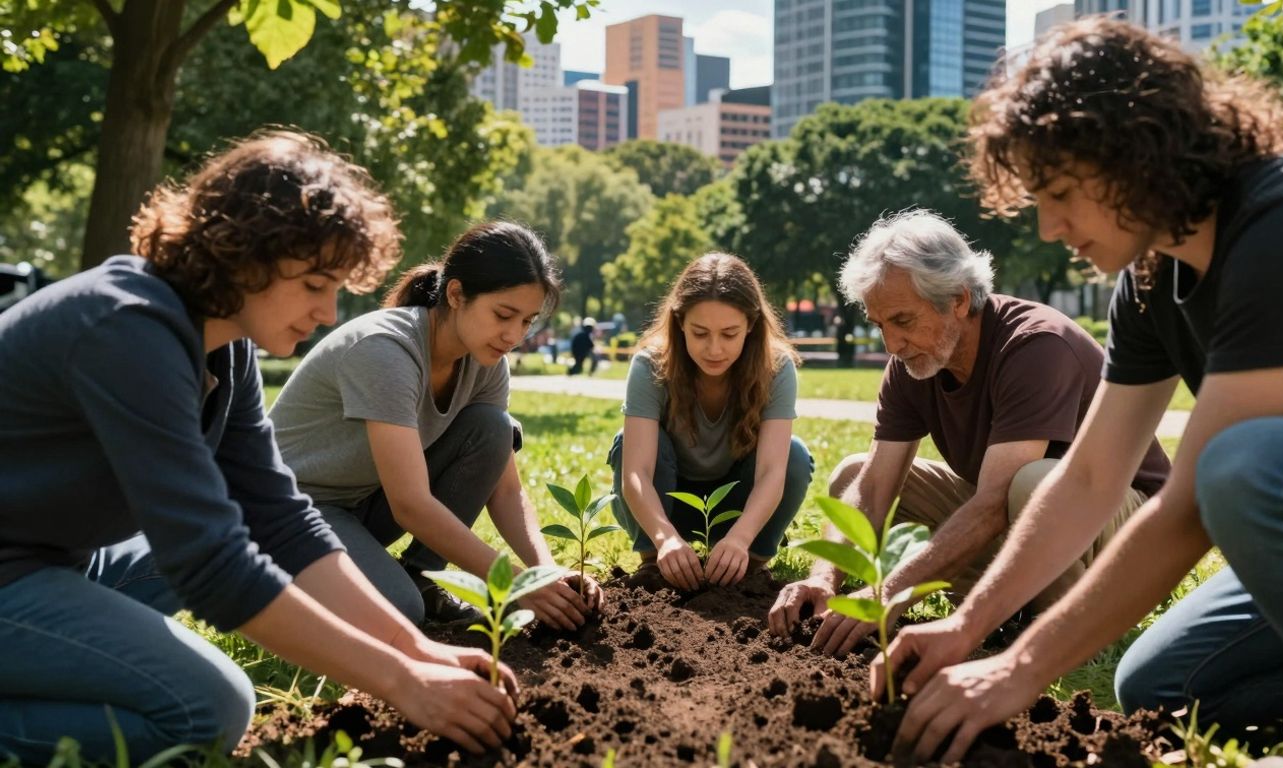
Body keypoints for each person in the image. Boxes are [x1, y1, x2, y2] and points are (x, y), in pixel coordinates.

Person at [873, 17, 1283, 767]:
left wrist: (1020, 668)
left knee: (1244, 466)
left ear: (1136, 154)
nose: (1048, 227)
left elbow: (1193, 502)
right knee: (1158, 687)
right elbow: (1091, 478)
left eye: (1060, 193)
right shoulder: (1150, 281)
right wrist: (967, 628)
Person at [0, 131, 519, 763]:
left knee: (216, 549)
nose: (329, 312)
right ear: (243, 255)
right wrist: (401, 682)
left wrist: (417, 650)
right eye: (315, 284)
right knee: (212, 710)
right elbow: (211, 564)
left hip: (59, 559)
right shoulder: (125, 327)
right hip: (14, 571)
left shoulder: (225, 344)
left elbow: (277, 517)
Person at [767, 210, 1170, 654]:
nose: (891, 345)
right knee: (853, 474)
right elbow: (876, 484)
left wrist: (891, 593)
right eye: (880, 325)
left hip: (1130, 530)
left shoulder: (1036, 346)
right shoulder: (913, 362)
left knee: (1032, 483)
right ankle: (999, 608)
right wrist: (824, 576)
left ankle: (1061, 625)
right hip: (1024, 518)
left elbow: (995, 503)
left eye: (903, 321)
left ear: (958, 299)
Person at [270, 221, 601, 629]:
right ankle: (297, 584)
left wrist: (545, 574)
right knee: (400, 611)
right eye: (503, 315)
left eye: (527, 321)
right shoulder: (385, 351)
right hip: (292, 511)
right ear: (456, 294)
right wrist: (514, 584)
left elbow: (506, 488)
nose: (513, 335)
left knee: (493, 427)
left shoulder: (486, 361)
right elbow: (409, 504)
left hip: (364, 503)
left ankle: (421, 576)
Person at [609, 253, 814, 590]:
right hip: (666, 509)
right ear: (680, 323)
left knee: (795, 455)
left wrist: (741, 538)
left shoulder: (776, 368)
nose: (714, 349)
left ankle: (749, 566)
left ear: (751, 325)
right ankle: (653, 564)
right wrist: (665, 538)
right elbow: (636, 473)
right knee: (626, 442)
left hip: (738, 510)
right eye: (700, 333)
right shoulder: (650, 366)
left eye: (729, 334)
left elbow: (772, 472)